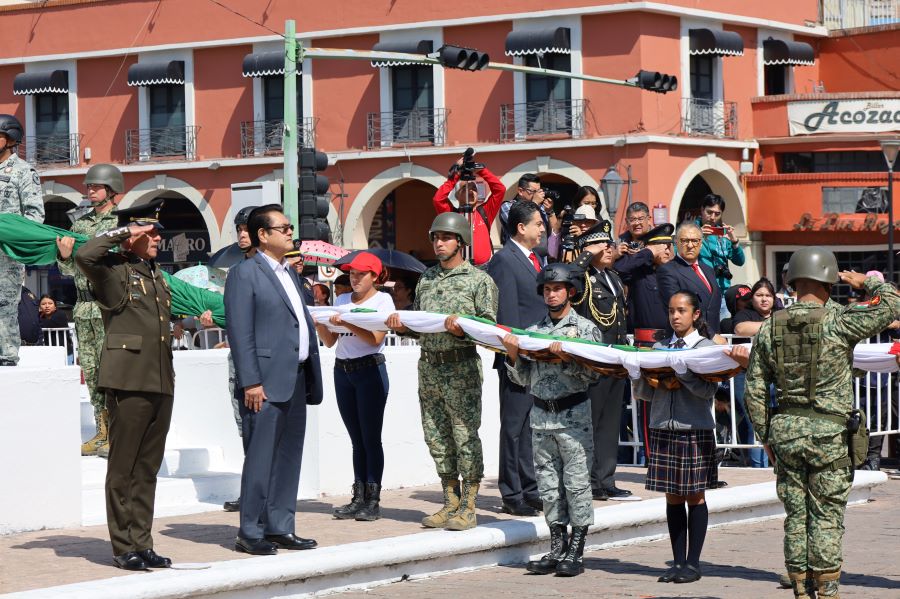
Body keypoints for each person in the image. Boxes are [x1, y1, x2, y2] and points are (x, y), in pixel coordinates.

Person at [744, 247, 900, 599]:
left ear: (792, 281)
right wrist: (869, 281)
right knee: (826, 516)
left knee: (796, 516)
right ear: (829, 280)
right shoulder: (839, 320)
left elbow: (753, 387)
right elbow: (893, 306)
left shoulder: (770, 327)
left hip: (785, 433)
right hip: (828, 436)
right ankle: (827, 592)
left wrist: (766, 434)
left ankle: (801, 588)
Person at [74, 197, 175, 571]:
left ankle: (142, 541)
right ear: (132, 234)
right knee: (123, 468)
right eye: (149, 233)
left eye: (157, 234)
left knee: (147, 468)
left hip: (160, 380)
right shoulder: (113, 271)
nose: (156, 239)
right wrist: (121, 232)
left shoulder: (155, 275)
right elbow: (85, 254)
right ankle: (122, 546)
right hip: (129, 381)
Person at [386, 212, 498, 531]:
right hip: (429, 368)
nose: (438, 243)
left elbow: (489, 326)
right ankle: (449, 503)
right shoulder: (426, 279)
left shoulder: (479, 281)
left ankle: (469, 506)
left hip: (460, 367)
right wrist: (402, 326)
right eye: (435, 238)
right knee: (436, 436)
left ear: (460, 242)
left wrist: (463, 330)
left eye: (445, 238)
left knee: (464, 437)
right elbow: (422, 326)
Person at [224, 204, 323, 556]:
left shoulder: (290, 273)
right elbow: (240, 331)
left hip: (295, 377)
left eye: (290, 226)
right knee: (261, 457)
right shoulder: (244, 274)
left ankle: (281, 526)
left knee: (288, 456)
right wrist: (251, 381)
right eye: (283, 227)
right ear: (262, 235)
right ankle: (250, 530)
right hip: (263, 383)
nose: (289, 232)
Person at [501, 263, 602, 577]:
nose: (551, 294)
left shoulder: (585, 329)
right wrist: (514, 355)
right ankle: (557, 546)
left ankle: (577, 550)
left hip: (573, 418)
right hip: (542, 417)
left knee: (576, 485)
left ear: (570, 292)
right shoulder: (534, 331)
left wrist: (567, 358)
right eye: (546, 289)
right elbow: (523, 379)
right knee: (548, 487)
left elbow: (594, 373)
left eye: (557, 288)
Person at [632, 290, 719, 585]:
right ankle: (677, 562)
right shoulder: (659, 347)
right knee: (672, 497)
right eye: (671, 311)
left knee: (694, 496)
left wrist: (684, 373)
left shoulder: (705, 347)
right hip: (663, 428)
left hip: (693, 428)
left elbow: (707, 392)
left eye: (681, 311)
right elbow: (646, 394)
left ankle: (693, 562)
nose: (675, 316)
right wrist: (636, 375)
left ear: (695, 314)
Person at [315, 252, 394, 521]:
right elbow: (329, 342)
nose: (355, 278)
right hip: (343, 371)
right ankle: (358, 496)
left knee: (371, 439)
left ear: (374, 276)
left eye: (361, 274)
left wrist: (347, 320)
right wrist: (319, 322)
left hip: (370, 369)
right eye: (352, 273)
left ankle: (373, 499)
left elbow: (375, 339)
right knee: (356, 440)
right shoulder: (341, 299)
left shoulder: (383, 300)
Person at [55, 164, 126, 455]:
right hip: (84, 307)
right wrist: (65, 257)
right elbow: (69, 271)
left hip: (109, 306)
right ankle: (102, 430)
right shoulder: (80, 224)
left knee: (113, 370)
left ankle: (119, 432)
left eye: (96, 187)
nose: (90, 191)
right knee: (92, 370)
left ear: (111, 190)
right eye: (89, 187)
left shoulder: (122, 222)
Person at [486, 200, 546, 517]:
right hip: (515, 359)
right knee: (512, 428)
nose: (542, 229)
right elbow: (506, 315)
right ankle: (511, 492)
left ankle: (529, 487)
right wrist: (514, 357)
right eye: (537, 224)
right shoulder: (505, 261)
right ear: (521, 227)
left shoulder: (533, 259)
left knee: (529, 428)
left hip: (535, 358)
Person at [571, 220, 631, 500]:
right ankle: (589, 480)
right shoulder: (582, 277)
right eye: (601, 245)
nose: (608, 248)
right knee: (591, 423)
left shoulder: (614, 278)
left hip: (615, 360)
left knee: (610, 423)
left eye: (608, 244)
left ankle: (606, 478)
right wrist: (585, 254)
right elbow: (568, 280)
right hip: (593, 361)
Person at [220, 204, 258, 513]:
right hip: (239, 362)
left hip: (264, 363)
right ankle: (251, 491)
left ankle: (264, 494)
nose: (241, 235)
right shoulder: (236, 272)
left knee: (264, 431)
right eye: (239, 230)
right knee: (244, 428)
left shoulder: (274, 272)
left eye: (247, 229)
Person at [0, 113, 44, 366]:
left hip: (7, 256)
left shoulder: (23, 172)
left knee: (4, 306)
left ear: (10, 138)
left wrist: (13, 236)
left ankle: (6, 357)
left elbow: (35, 216)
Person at [732, 278, 779, 469]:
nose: (764, 299)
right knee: (756, 423)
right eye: (759, 295)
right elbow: (741, 329)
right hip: (748, 374)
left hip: (777, 376)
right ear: (752, 299)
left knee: (776, 422)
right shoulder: (745, 314)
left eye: (768, 295)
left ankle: (776, 464)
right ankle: (758, 467)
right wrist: (777, 326)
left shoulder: (779, 314)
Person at [432, 153, 506, 265]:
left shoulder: (485, 211)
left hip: (484, 270)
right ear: (457, 195)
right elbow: (438, 199)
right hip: (459, 270)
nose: (471, 191)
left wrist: (481, 170)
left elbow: (500, 189)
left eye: (474, 189)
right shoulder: (452, 215)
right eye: (466, 188)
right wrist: (455, 175)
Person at [657, 222, 721, 334]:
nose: (690, 245)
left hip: (713, 340)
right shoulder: (668, 270)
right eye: (685, 241)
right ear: (676, 242)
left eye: (695, 241)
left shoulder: (708, 270)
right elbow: (679, 310)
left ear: (701, 243)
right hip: (688, 340)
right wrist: (711, 335)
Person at [696, 194, 745, 320]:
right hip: (701, 292)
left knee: (722, 334)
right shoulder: (691, 230)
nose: (712, 217)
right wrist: (698, 237)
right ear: (702, 209)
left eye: (717, 214)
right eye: (709, 212)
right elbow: (681, 254)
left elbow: (740, 261)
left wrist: (734, 241)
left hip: (722, 293)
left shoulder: (722, 233)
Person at [498, 173, 556, 253]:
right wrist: (535, 203)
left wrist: (550, 212)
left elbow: (555, 232)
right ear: (520, 191)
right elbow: (520, 223)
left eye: (538, 191)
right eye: (533, 191)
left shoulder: (541, 208)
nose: (537, 194)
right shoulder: (508, 206)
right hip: (519, 257)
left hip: (542, 260)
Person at [38, 294, 73, 361]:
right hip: (49, 353)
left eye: (50, 303)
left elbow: (45, 324)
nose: (47, 306)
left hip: (65, 353)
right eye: (43, 304)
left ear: (55, 307)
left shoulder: (60, 315)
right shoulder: (40, 316)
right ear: (39, 307)